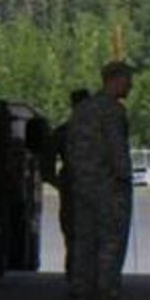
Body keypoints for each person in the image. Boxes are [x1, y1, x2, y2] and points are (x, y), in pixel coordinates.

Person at [65, 62, 135, 300]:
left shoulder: (82, 110)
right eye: (128, 80)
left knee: (84, 241)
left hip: (83, 187)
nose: (131, 86)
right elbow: (118, 151)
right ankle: (107, 296)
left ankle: (83, 295)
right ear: (115, 80)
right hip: (109, 188)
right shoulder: (112, 111)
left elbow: (70, 148)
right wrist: (125, 180)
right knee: (110, 242)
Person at [51, 88, 90, 284]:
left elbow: (45, 165)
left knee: (74, 237)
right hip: (89, 190)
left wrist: (58, 183)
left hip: (73, 188)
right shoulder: (99, 131)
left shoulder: (63, 132)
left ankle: (77, 280)